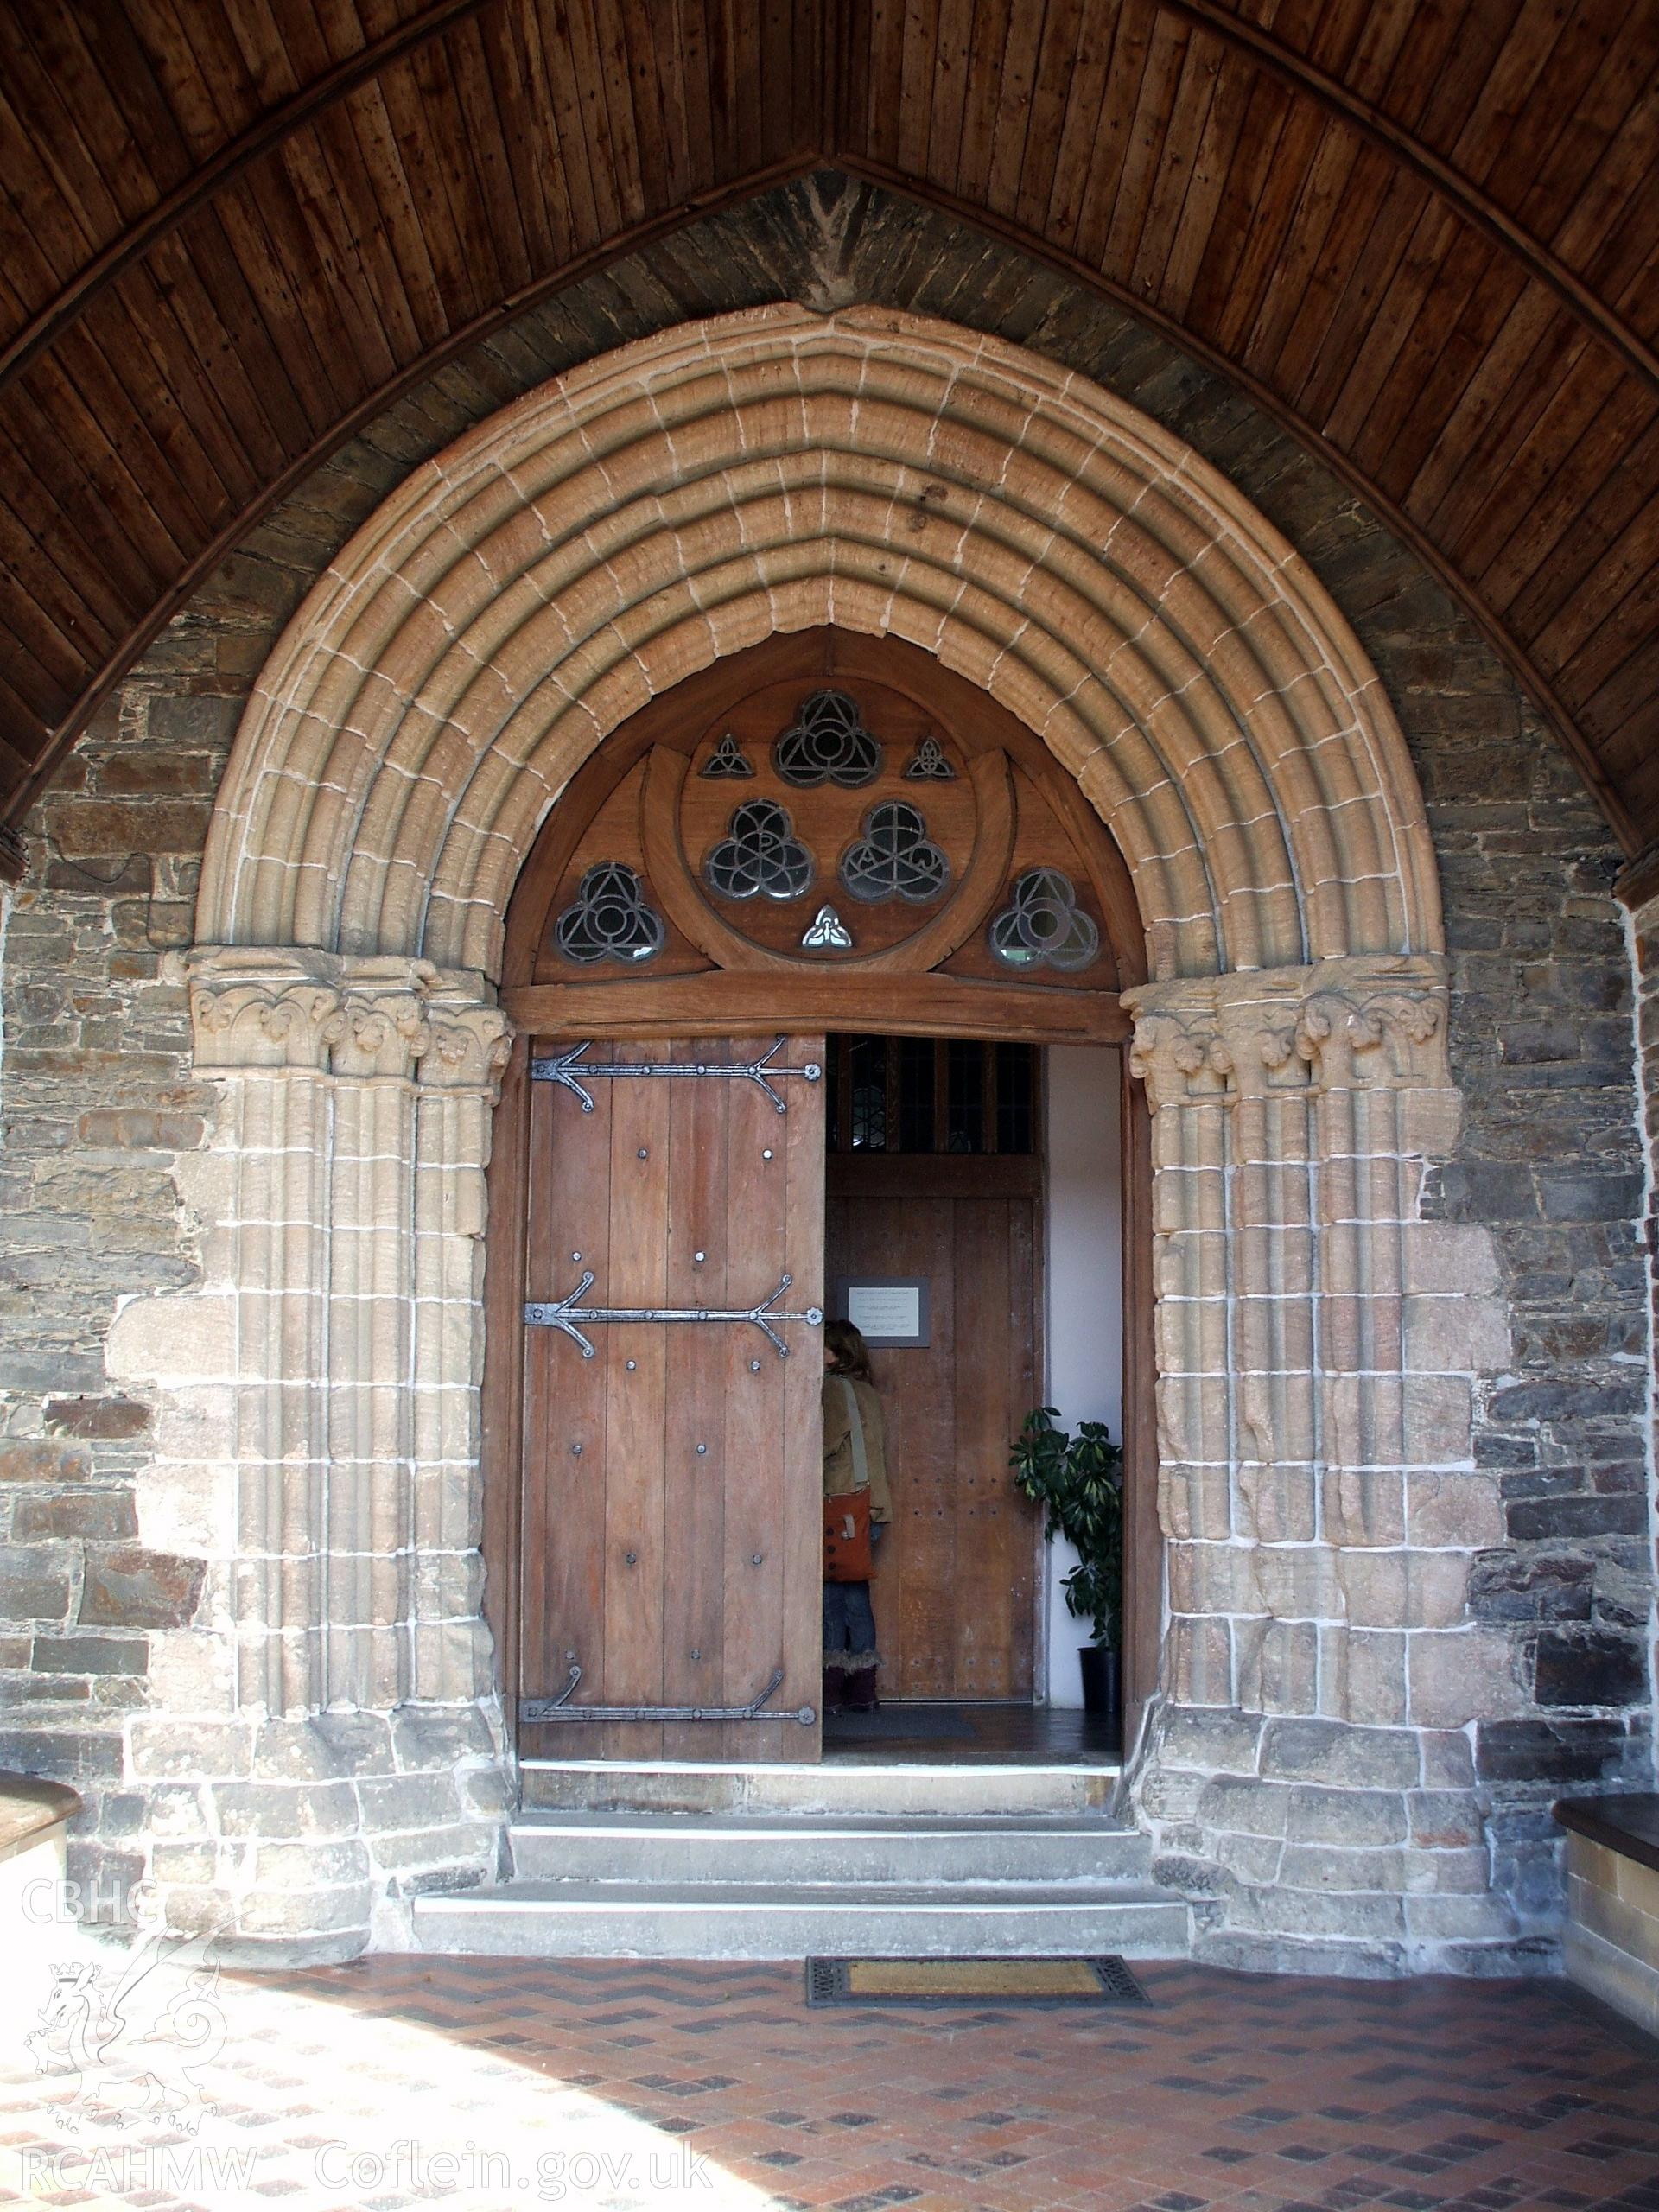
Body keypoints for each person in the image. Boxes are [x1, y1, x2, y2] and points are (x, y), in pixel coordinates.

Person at [822, 1318, 892, 1713]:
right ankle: (863, 1690)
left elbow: (823, 1443)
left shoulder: (832, 1390)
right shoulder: (867, 1392)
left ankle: (830, 1690)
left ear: (836, 1354)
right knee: (856, 1597)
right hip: (870, 1509)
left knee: (832, 1600)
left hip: (840, 1508)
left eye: (822, 1346)